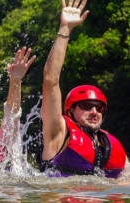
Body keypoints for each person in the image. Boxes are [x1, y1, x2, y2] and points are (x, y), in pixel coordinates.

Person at [37, 0, 127, 178]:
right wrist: (65, 29)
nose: (94, 111)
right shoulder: (58, 133)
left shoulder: (112, 145)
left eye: (99, 107)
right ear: (70, 110)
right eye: (86, 105)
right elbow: (50, 80)